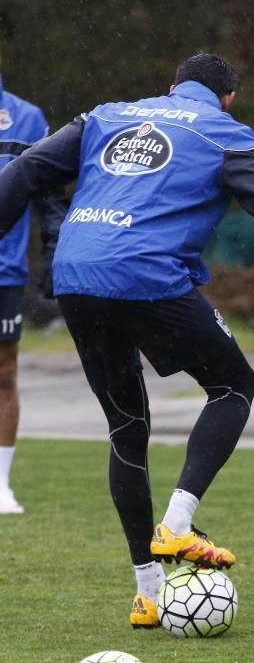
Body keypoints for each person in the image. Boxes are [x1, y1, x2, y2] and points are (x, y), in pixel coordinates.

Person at [0, 52, 254, 626]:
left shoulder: (105, 115)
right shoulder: (228, 132)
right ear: (229, 98)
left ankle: (147, 592)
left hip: (77, 274)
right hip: (147, 275)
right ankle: (176, 523)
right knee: (233, 383)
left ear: (170, 88)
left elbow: (21, 174)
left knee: (126, 426)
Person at [0, 51, 67, 515]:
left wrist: (53, 253)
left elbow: (47, 196)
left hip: (5, 271)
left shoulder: (26, 117)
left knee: (4, 374)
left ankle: (0, 484)